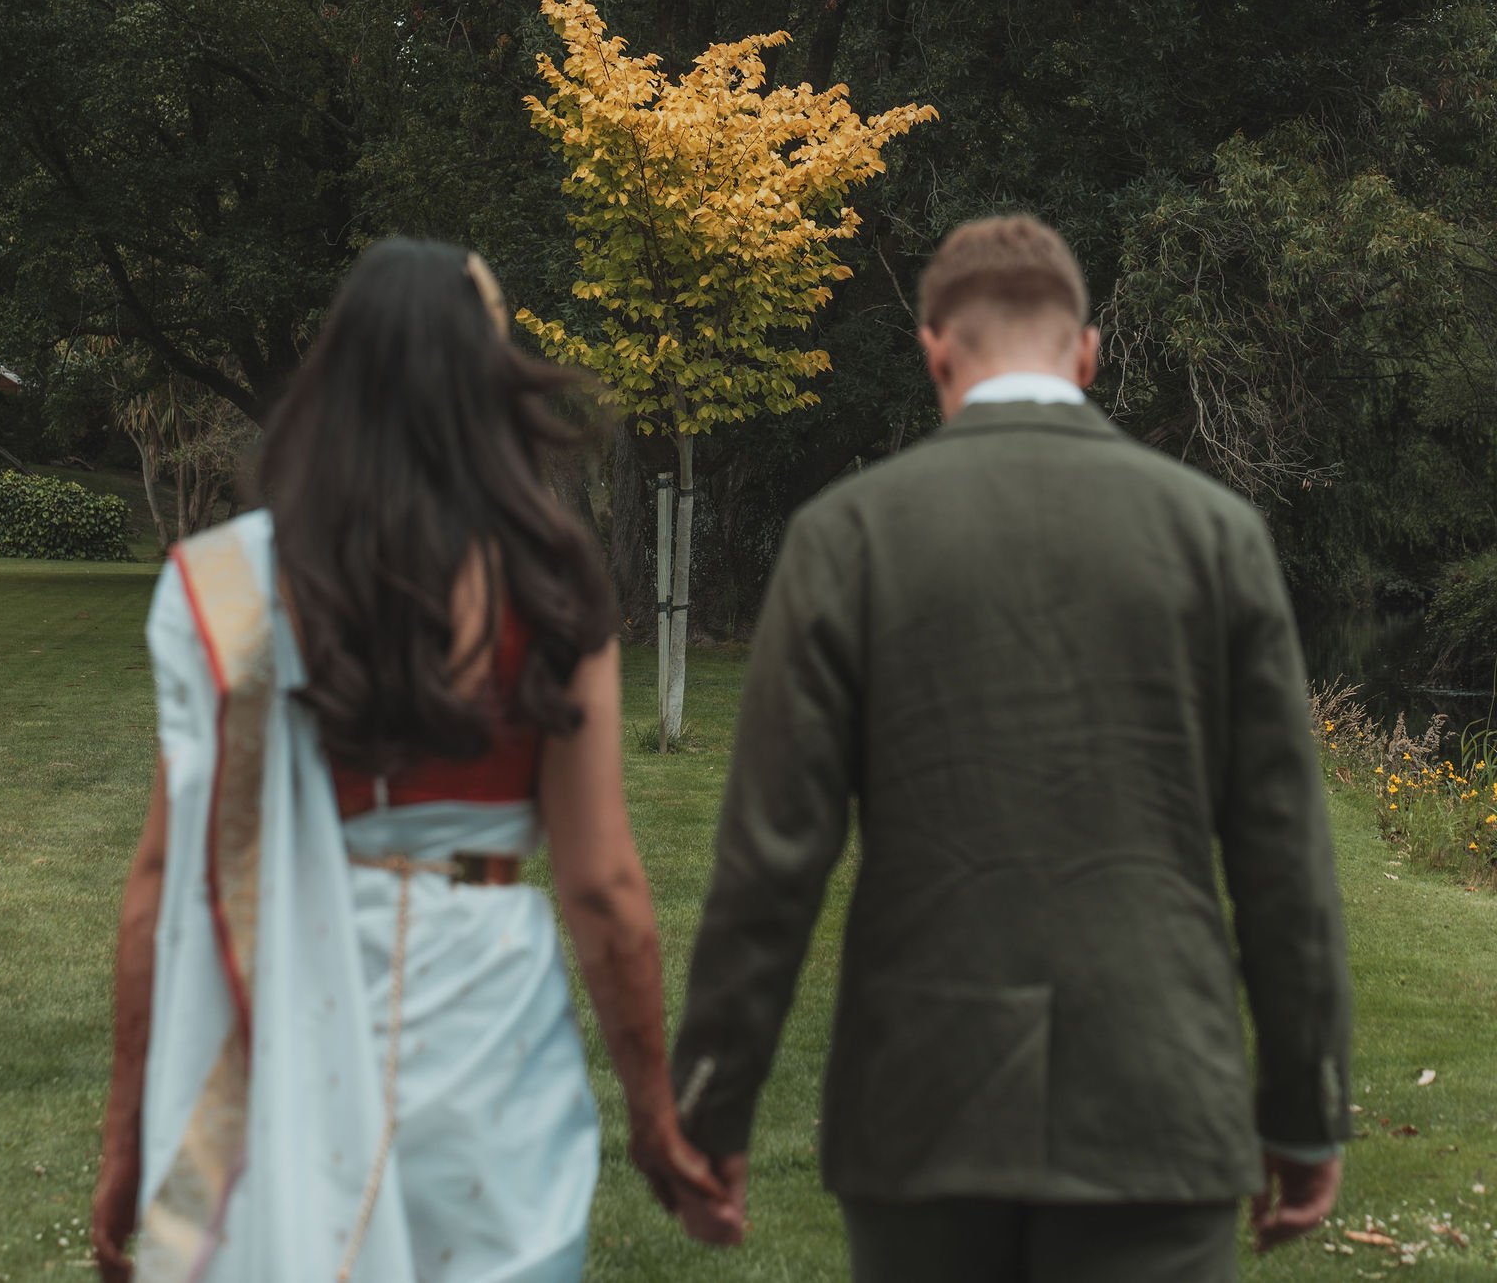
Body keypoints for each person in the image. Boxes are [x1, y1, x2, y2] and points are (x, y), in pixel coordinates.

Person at [672, 214, 1351, 1282]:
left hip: (924, 1103)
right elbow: (1285, 865)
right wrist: (1305, 1111)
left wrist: (710, 1102)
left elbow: (770, 860)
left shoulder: (846, 536)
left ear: (934, 348)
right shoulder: (1216, 535)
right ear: (1083, 353)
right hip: (1156, 1092)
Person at [91, 237, 736, 1283]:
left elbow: (163, 878)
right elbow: (604, 887)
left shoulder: (224, 587)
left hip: (275, 1031)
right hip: (482, 1016)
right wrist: (654, 1112)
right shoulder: (549, 585)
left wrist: (128, 1136)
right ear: (489, 383)